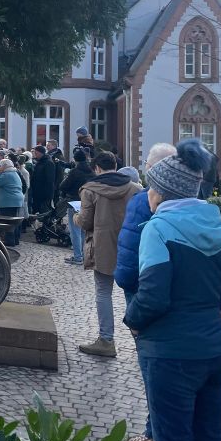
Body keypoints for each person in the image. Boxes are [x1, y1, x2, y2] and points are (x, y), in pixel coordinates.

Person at [124, 139, 221, 441]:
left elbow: (153, 298)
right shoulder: (217, 227)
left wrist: (132, 319)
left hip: (170, 354)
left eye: (151, 188)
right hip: (215, 351)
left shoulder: (158, 229)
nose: (148, 194)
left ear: (161, 193)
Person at [113, 142, 177, 441]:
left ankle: (155, 433)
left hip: (145, 296)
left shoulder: (143, 202)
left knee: (152, 366)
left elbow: (128, 263)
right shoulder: (197, 204)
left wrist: (134, 311)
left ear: (150, 169)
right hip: (183, 303)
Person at [75, 151, 142, 357]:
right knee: (132, 293)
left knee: (104, 293)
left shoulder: (90, 190)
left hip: (102, 247)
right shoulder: (136, 189)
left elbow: (86, 222)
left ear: (96, 168)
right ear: (115, 165)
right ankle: (142, 341)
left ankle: (106, 340)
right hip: (130, 247)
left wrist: (76, 217)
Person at [58, 147, 95, 265]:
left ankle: (77, 256)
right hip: (88, 202)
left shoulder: (75, 171)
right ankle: (85, 256)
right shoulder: (92, 171)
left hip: (74, 202)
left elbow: (64, 186)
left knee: (75, 231)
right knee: (84, 230)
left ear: (75, 159)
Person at [0, 159, 24, 247]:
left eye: (1, 165)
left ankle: (9, 240)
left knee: (7, 221)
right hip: (16, 200)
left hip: (8, 201)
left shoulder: (6, 174)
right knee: (15, 221)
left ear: (4, 166)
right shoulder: (14, 173)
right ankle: (15, 239)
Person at [28, 145, 56, 214]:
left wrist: (46, 193)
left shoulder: (48, 163)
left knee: (45, 211)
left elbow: (50, 179)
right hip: (37, 192)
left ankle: (48, 224)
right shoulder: (39, 162)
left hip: (44, 193)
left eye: (35, 153)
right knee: (38, 210)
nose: (34, 155)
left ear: (40, 153)